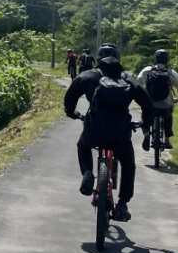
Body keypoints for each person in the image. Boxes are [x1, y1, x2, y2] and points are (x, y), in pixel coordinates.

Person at [63, 43, 154, 222]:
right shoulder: (128, 78)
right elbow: (147, 103)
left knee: (83, 146)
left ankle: (88, 174)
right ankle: (122, 204)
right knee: (128, 164)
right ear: (118, 59)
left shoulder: (88, 76)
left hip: (94, 130)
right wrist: (145, 123)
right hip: (120, 134)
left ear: (98, 59)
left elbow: (70, 96)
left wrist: (71, 112)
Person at [137, 48, 178, 150]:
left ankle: (146, 135)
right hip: (165, 105)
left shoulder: (147, 70)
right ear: (167, 60)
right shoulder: (171, 73)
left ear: (155, 59)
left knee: (145, 116)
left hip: (150, 104)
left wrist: (141, 96)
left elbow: (138, 82)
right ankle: (167, 140)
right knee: (168, 116)